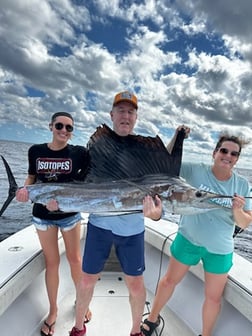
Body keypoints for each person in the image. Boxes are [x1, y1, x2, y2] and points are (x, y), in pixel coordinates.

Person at [141, 129, 252, 336]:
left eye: (233, 154)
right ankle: (152, 318)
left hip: (219, 249)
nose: (227, 156)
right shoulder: (195, 171)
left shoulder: (242, 185)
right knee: (169, 281)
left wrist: (237, 210)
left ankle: (206, 334)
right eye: (224, 151)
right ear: (214, 152)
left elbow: (245, 222)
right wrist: (177, 136)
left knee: (213, 297)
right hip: (188, 239)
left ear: (237, 159)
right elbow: (164, 163)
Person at [69, 91, 163, 336]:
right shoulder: (97, 147)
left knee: (135, 284)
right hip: (100, 227)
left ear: (136, 117)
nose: (126, 115)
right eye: (121, 110)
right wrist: (57, 200)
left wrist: (154, 215)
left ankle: (135, 331)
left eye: (131, 111)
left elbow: (159, 207)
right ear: (111, 115)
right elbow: (73, 182)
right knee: (88, 279)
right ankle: (78, 328)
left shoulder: (146, 151)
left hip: (133, 232)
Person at [16, 112, 91, 336]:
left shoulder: (79, 153)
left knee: (76, 260)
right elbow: (31, 178)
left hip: (69, 214)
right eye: (60, 125)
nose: (64, 131)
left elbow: (88, 180)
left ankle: (81, 303)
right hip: (42, 215)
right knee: (52, 263)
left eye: (69, 128)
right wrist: (24, 190)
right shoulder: (35, 151)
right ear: (51, 126)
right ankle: (53, 310)